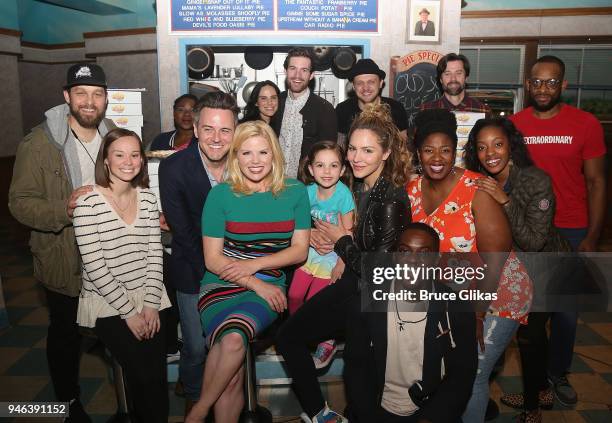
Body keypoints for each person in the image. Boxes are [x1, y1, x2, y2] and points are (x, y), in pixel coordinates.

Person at [276, 103, 412, 423]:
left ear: (386, 153)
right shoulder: (359, 186)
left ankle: (326, 412)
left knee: (359, 374)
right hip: (354, 287)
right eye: (352, 148)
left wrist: (341, 241)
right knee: (292, 337)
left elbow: (376, 271)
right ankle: (318, 412)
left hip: (373, 298)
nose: (356, 157)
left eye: (367, 150)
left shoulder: (390, 198)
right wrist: (315, 235)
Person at [9, 63, 115, 422]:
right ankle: (69, 402)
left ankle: (125, 397)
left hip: (111, 251)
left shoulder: (114, 135)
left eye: (97, 94)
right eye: (81, 93)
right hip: (62, 255)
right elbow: (19, 203)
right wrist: (64, 208)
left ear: (105, 99)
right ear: (67, 96)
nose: (90, 102)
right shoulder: (39, 142)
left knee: (114, 327)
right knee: (66, 332)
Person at [186, 120, 311, 423]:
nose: (255, 161)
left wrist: (255, 268)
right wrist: (255, 283)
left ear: (275, 155)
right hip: (221, 283)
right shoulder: (221, 195)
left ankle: (198, 410)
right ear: (235, 157)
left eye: (263, 152)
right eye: (246, 153)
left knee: (232, 341)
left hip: (269, 281)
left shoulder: (295, 192)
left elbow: (299, 251)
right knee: (230, 375)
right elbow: (214, 260)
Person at [508, 55, 607, 407]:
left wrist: (593, 236)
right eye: (537, 81)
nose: (543, 88)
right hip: (529, 232)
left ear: (563, 85)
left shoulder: (586, 124)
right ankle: (536, 384)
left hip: (572, 228)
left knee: (565, 312)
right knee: (530, 315)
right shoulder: (515, 125)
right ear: (527, 84)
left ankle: (557, 374)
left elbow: (596, 182)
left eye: (551, 82)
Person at [406, 109, 518, 421]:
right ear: (419, 153)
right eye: (429, 150)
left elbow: (497, 258)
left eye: (445, 150)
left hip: (496, 294)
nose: (437, 158)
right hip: (451, 295)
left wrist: (478, 311)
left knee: (474, 371)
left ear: (455, 151)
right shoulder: (412, 189)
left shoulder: (476, 188)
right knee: (451, 370)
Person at [464, 118, 573, 422]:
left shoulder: (535, 180)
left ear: (511, 146)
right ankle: (538, 391)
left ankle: (533, 408)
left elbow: (534, 242)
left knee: (531, 335)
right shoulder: (478, 179)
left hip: (546, 267)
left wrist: (505, 201)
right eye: (482, 147)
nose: (490, 153)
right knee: (521, 336)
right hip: (512, 269)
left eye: (497, 144)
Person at [73, 128, 171, 422]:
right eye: (119, 154)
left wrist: (151, 303)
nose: (128, 161)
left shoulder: (148, 198)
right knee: (142, 373)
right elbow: (95, 267)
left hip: (149, 295)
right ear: (105, 159)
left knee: (156, 377)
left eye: (135, 154)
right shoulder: (87, 203)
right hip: (107, 301)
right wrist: (129, 312)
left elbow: (155, 254)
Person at [158, 91, 239, 416]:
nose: (216, 139)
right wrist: (219, 270)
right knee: (195, 346)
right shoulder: (174, 168)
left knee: (230, 344)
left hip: (242, 270)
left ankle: (224, 395)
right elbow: (185, 234)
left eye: (225, 130)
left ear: (236, 130)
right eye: (208, 129)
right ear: (195, 127)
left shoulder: (248, 161)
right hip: (193, 270)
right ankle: (193, 391)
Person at [350, 222, 478, 422]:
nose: (412, 260)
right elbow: (356, 368)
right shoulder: (369, 302)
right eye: (404, 251)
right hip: (377, 408)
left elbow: (462, 375)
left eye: (424, 253)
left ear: (436, 259)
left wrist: (431, 418)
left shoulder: (455, 307)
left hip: (431, 409)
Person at [289, 141, 355, 369]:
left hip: (333, 257)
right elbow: (297, 225)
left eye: (333, 165)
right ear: (310, 169)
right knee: (295, 295)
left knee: (317, 301)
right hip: (309, 252)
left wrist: (341, 263)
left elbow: (349, 233)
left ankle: (326, 339)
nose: (327, 172)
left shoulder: (344, 195)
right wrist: (308, 236)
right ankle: (299, 331)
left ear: (343, 170)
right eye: (320, 165)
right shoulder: (305, 193)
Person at [274, 47, 338, 177]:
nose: (297, 75)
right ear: (285, 71)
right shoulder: (275, 103)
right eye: (293, 68)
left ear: (312, 75)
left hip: (306, 185)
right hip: (274, 182)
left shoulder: (325, 109)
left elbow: (328, 155)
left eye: (304, 70)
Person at [336, 58, 408, 145]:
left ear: (381, 83)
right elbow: (340, 148)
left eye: (371, 82)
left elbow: (403, 147)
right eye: (359, 83)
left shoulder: (396, 108)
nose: (365, 88)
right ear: (354, 87)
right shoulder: (343, 110)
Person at [420, 53, 491, 115]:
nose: (453, 79)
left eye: (458, 73)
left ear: (466, 77)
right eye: (447, 74)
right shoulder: (426, 111)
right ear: (441, 79)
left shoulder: (483, 111)